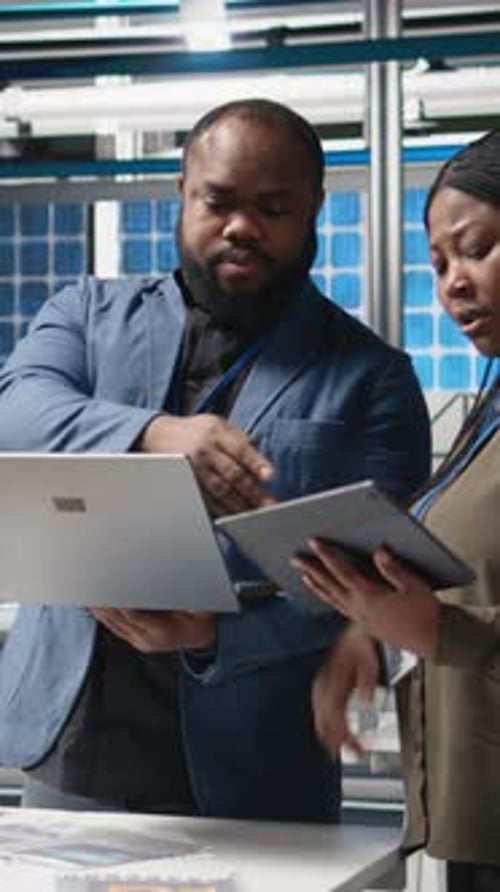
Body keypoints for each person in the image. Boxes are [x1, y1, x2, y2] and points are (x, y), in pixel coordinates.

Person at [0, 98, 430, 822]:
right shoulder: (84, 312)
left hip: (260, 768)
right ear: (183, 193)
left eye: (273, 206)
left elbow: (387, 588)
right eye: (218, 201)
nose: (241, 226)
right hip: (73, 747)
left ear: (314, 209)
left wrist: (215, 633)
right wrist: (153, 433)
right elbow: (13, 411)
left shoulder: (372, 377)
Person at [292, 130, 500, 888]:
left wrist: (442, 632)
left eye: (476, 248)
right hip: (476, 820)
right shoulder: (490, 413)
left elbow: (463, 620)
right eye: (440, 264)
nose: (453, 283)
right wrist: (375, 634)